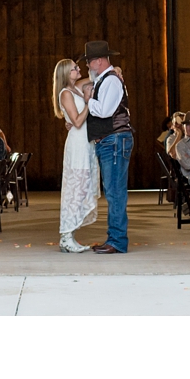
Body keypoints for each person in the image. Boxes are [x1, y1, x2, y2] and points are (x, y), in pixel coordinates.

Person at [82, 39, 134, 254]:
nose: (87, 66)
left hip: (114, 140)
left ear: (99, 61)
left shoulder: (111, 81)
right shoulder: (107, 79)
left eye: (89, 62)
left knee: (115, 192)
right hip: (111, 140)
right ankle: (115, 238)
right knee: (113, 191)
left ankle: (117, 241)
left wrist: (88, 100)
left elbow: (104, 111)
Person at [52, 58, 98, 253]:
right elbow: (77, 122)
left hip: (86, 142)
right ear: (65, 73)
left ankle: (71, 234)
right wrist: (88, 103)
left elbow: (94, 78)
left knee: (83, 186)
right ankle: (66, 235)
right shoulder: (65, 94)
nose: (78, 69)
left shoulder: (76, 88)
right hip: (77, 143)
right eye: (74, 68)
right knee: (75, 189)